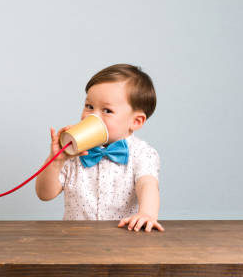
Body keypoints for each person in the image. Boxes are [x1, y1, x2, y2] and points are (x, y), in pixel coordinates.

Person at [35, 64, 163, 232]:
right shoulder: (73, 152)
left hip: (122, 241)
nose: (93, 116)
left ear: (136, 121)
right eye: (89, 106)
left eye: (107, 110)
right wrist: (55, 162)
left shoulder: (142, 154)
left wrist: (147, 213)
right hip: (73, 241)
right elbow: (45, 194)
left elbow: (147, 184)